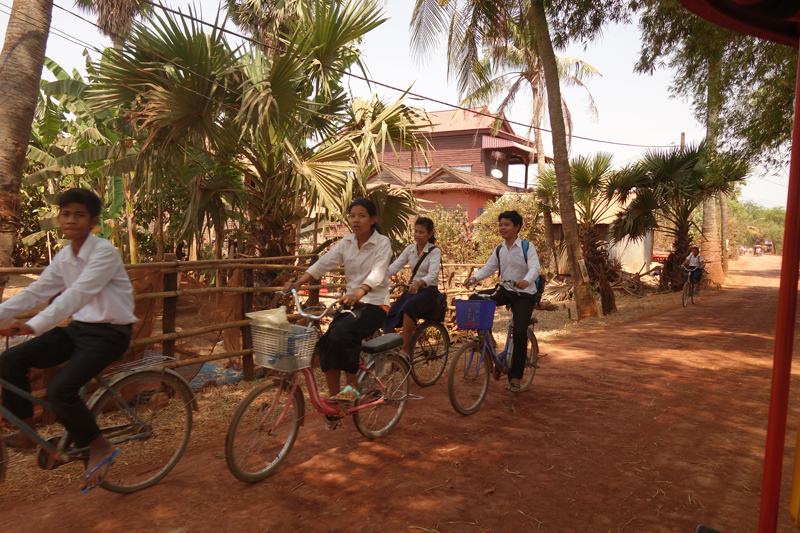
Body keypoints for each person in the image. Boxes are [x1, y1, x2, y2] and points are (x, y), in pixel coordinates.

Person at [0, 188, 137, 492]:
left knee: (61, 390)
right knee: (9, 361)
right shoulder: (65, 256)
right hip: (79, 329)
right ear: (58, 218)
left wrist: (31, 327)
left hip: (109, 334)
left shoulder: (103, 252)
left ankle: (99, 445)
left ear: (94, 221)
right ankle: (26, 431)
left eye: (79, 214)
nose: (71, 220)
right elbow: (36, 292)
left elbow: (76, 296)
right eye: (65, 213)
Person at [283, 198, 391, 406]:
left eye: (361, 216)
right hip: (352, 305)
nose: (355, 220)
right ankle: (335, 400)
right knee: (326, 343)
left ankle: (352, 387)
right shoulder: (347, 242)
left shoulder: (382, 243)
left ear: (373, 219)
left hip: (375, 305)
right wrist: (298, 283)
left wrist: (359, 292)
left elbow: (378, 273)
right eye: (352, 216)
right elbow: (324, 263)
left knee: (342, 335)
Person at [465, 210, 540, 394]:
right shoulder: (499, 249)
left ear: (517, 227)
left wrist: (527, 280)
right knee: (475, 298)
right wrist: (474, 279)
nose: (502, 228)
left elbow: (535, 268)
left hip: (524, 294)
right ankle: (486, 336)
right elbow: (490, 267)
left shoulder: (526, 247)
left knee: (520, 332)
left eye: (506, 224)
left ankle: (515, 376)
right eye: (500, 224)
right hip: (505, 290)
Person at [384, 217, 442, 356]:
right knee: (386, 316)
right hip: (412, 290)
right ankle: (394, 351)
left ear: (430, 234)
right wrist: (376, 278)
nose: (417, 235)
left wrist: (418, 283)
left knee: (409, 306)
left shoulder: (434, 251)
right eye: (415, 231)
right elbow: (395, 267)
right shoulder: (409, 249)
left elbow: (433, 274)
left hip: (428, 291)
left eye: (421, 232)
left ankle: (405, 350)